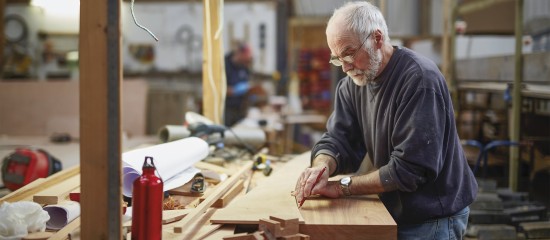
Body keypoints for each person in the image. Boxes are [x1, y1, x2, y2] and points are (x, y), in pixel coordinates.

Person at [292, 2, 478, 239]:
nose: (345, 67)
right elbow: (339, 140)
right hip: (394, 210)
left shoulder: (419, 81)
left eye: (349, 53)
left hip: (432, 217)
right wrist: (322, 166)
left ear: (377, 39)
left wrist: (340, 187)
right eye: (337, 59)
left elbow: (409, 170)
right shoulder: (352, 84)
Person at [224, 41, 253, 127]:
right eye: (245, 58)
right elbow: (218, 90)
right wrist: (235, 90)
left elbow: (248, 82)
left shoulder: (244, 66)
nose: (247, 61)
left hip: (240, 110)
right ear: (239, 53)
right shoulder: (224, 65)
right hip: (227, 109)